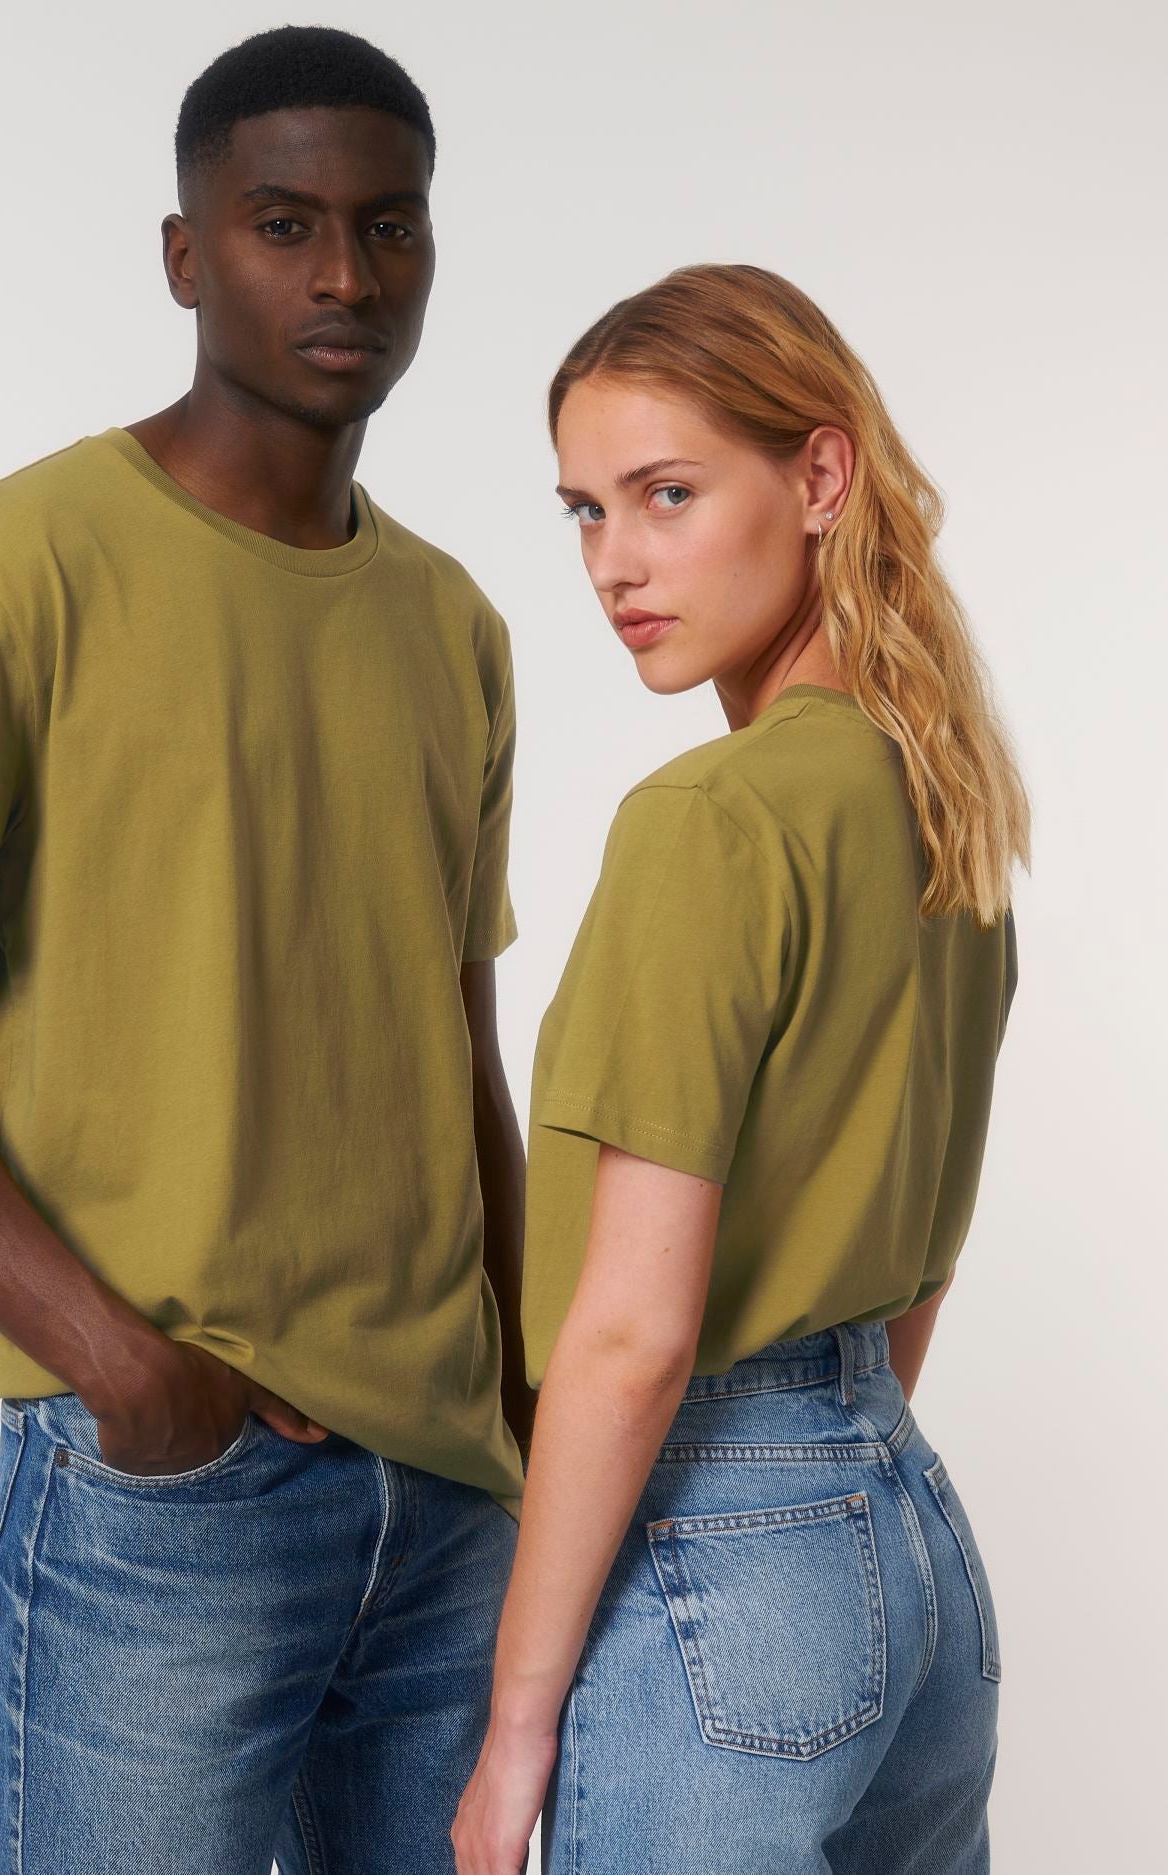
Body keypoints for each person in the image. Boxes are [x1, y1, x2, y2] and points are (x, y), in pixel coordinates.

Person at [0, 26, 533, 1875]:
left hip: (454, 1505)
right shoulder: (14, 569)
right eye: (286, 225)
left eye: (389, 226)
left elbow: (458, 1051)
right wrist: (119, 1369)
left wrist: (523, 1400)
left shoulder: (453, 623)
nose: (346, 275)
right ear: (187, 256)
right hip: (173, 1500)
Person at [453, 263, 1027, 1875]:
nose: (614, 564)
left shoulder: (711, 822)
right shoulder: (945, 810)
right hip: (907, 1537)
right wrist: (829, 1478)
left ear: (821, 477)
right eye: (585, 512)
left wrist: (515, 1724)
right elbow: (927, 1255)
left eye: (668, 495)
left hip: (725, 1552)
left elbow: (632, 1334)